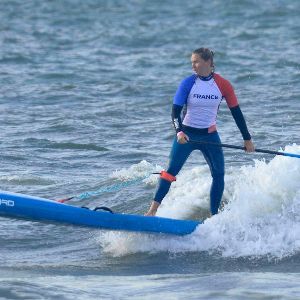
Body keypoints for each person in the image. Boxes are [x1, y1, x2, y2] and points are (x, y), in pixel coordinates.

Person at [145, 47, 255, 217]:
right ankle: (152, 211)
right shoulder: (188, 83)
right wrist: (179, 132)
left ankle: (214, 217)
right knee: (169, 172)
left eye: (196, 62)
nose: (193, 66)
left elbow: (236, 113)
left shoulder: (223, 85)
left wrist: (247, 139)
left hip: (210, 135)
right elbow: (175, 111)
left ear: (208, 62)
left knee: (219, 174)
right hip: (187, 135)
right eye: (192, 63)